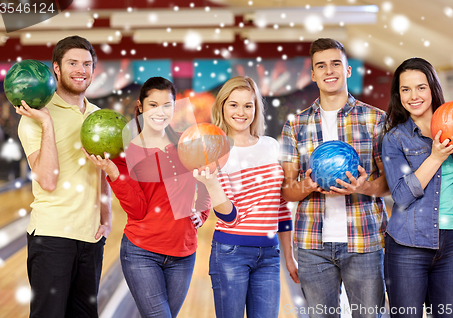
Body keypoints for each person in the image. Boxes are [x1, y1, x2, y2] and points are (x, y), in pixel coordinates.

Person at [83, 76, 211, 318]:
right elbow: (137, 210)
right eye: (153, 105)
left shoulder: (187, 143)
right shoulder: (127, 150)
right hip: (142, 252)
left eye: (167, 105)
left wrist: (202, 212)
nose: (160, 112)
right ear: (141, 106)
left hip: (184, 252)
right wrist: (112, 171)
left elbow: (207, 182)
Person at [280, 38, 389, 318]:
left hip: (365, 241)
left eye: (335, 63)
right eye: (321, 65)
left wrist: (363, 186)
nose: (329, 70)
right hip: (312, 246)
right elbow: (287, 191)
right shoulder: (295, 125)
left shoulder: (376, 120)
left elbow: (390, 185)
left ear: (348, 70)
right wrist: (308, 185)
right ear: (313, 75)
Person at [382, 57, 453, 317]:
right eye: (405, 89)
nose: (413, 96)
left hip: (452, 244)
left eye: (420, 87)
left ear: (432, 89)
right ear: (398, 94)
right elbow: (402, 196)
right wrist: (436, 156)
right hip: (408, 246)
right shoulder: (395, 139)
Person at [16, 35, 111, 318]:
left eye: (87, 64)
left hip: (91, 237)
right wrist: (47, 123)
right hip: (52, 236)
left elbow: (102, 173)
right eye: (73, 63)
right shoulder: (34, 114)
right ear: (56, 68)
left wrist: (106, 219)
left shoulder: (97, 116)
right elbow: (47, 180)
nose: (81, 69)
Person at [193, 76, 299, 318]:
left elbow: (281, 207)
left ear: (256, 109)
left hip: (270, 256)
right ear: (222, 106)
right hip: (231, 253)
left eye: (248, 105)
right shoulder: (214, 150)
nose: (241, 112)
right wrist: (211, 184)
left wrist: (289, 256)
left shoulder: (271, 146)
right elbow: (229, 217)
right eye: (233, 104)